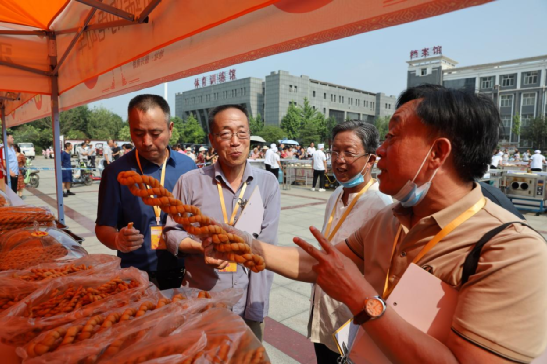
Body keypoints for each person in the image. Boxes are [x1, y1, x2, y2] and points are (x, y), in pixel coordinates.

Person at [209, 85, 547, 363]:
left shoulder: (511, 251)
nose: (380, 152)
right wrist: (246, 244)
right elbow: (320, 264)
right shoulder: (390, 219)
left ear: (437, 152)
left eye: (393, 137)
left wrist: (363, 301)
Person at [164, 104, 280, 343]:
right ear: (212, 140)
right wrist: (200, 247)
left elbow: (267, 244)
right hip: (202, 300)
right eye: (225, 134)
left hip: (249, 302)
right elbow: (171, 232)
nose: (235, 141)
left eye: (242, 133)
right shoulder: (190, 182)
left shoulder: (267, 184)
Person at [308, 121, 392, 362]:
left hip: (351, 323)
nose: (339, 159)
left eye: (349, 153)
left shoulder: (381, 206)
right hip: (323, 315)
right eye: (334, 151)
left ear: (371, 160)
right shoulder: (336, 194)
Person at [95, 94, 197, 289]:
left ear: (170, 128)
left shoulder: (188, 166)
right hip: (136, 277)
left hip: (186, 272)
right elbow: (103, 227)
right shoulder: (116, 173)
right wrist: (117, 239)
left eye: (155, 133)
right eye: (139, 133)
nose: (147, 141)